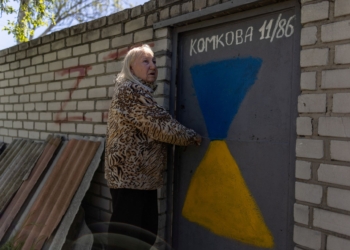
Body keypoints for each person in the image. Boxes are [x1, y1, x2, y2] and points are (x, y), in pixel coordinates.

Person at [105, 44, 201, 249]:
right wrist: (191, 136)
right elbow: (159, 125)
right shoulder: (131, 91)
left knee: (141, 235)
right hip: (131, 176)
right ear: (131, 69)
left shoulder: (137, 92)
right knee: (128, 237)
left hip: (138, 177)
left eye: (154, 61)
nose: (153, 66)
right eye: (145, 61)